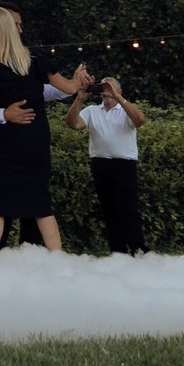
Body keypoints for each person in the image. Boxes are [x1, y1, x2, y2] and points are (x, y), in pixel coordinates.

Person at [0, 2, 86, 241]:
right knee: (41, 205)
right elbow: (68, 88)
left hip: (8, 142)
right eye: (16, 25)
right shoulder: (36, 60)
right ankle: (55, 257)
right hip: (37, 139)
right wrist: (77, 79)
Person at [65, 75, 148, 255]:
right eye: (103, 88)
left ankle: (138, 250)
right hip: (101, 164)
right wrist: (80, 99)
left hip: (124, 165)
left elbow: (140, 120)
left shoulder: (125, 110)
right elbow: (73, 123)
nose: (105, 92)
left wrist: (118, 97)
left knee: (128, 209)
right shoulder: (92, 111)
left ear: (119, 90)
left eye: (109, 88)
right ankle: (117, 251)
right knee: (109, 210)